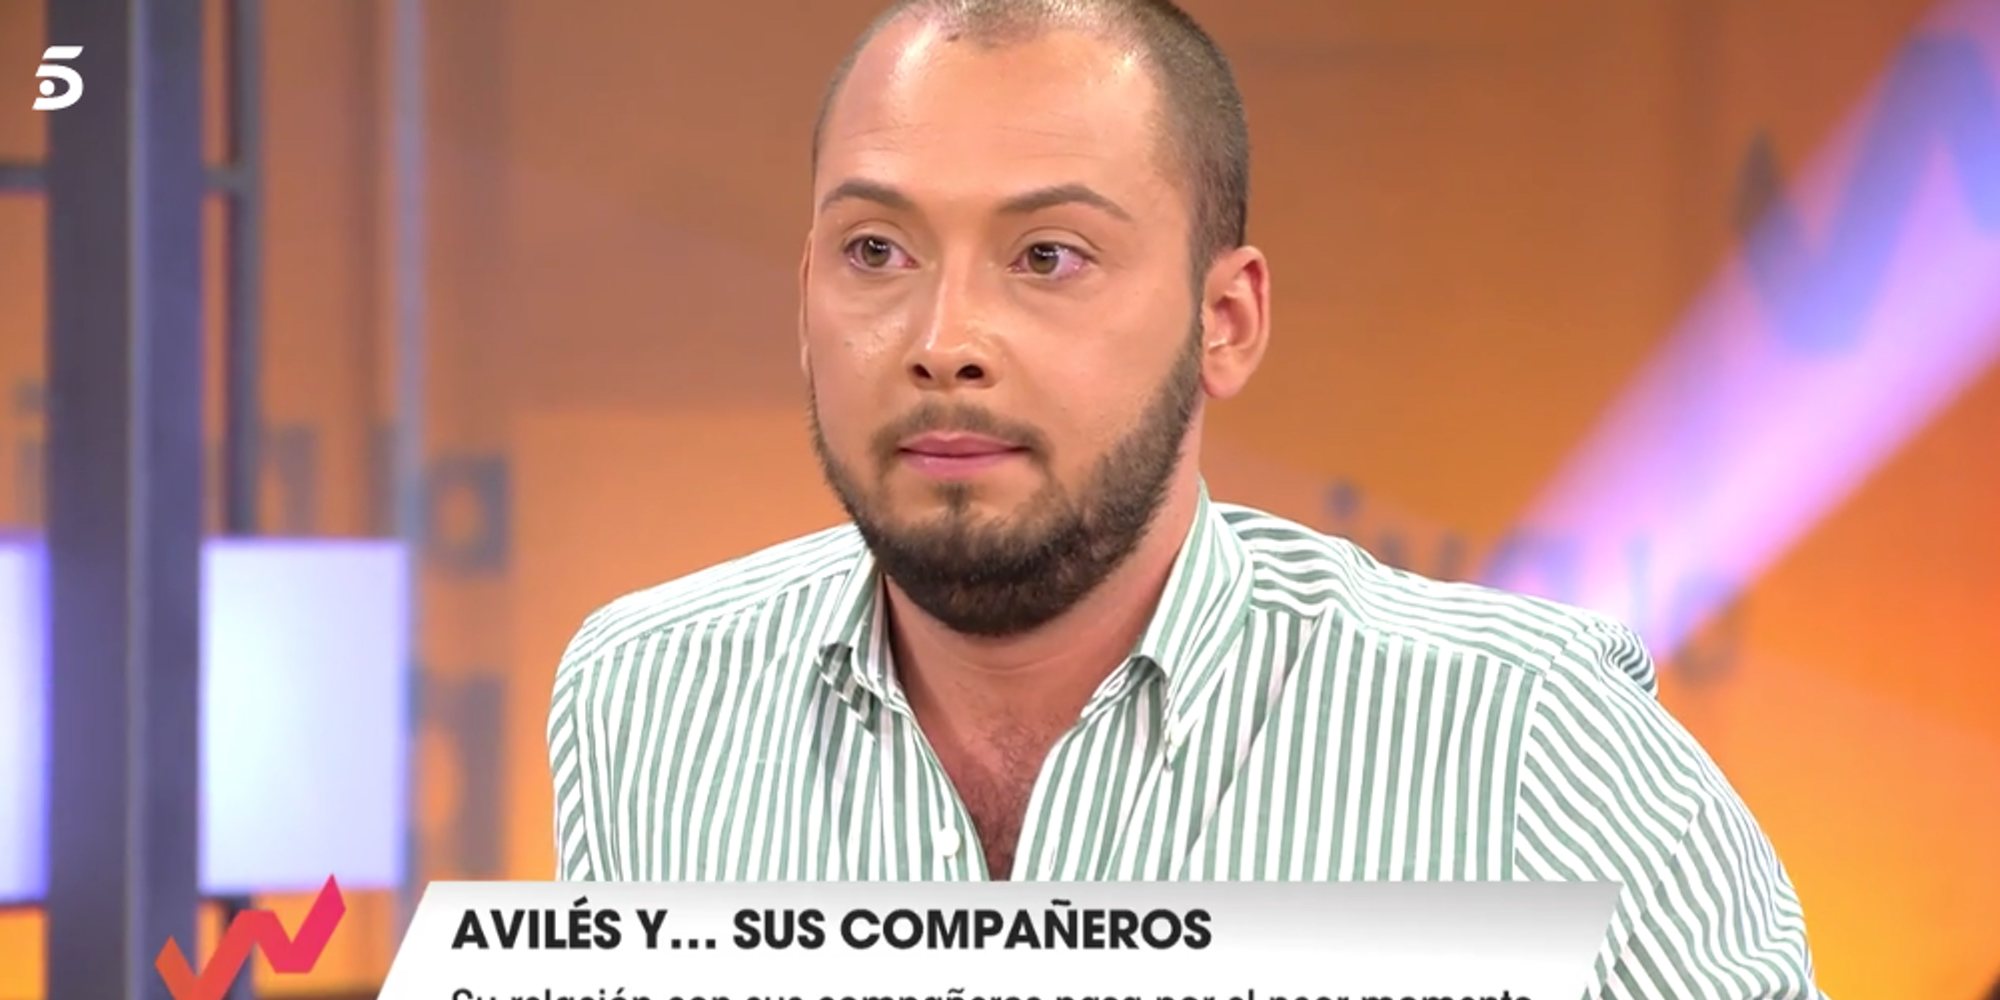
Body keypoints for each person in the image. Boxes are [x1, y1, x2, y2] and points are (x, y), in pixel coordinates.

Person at [546, 0, 1820, 995]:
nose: (943, 341)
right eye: (875, 250)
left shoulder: (1523, 738)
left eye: (1047, 256)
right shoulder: (641, 700)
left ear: (1224, 320)